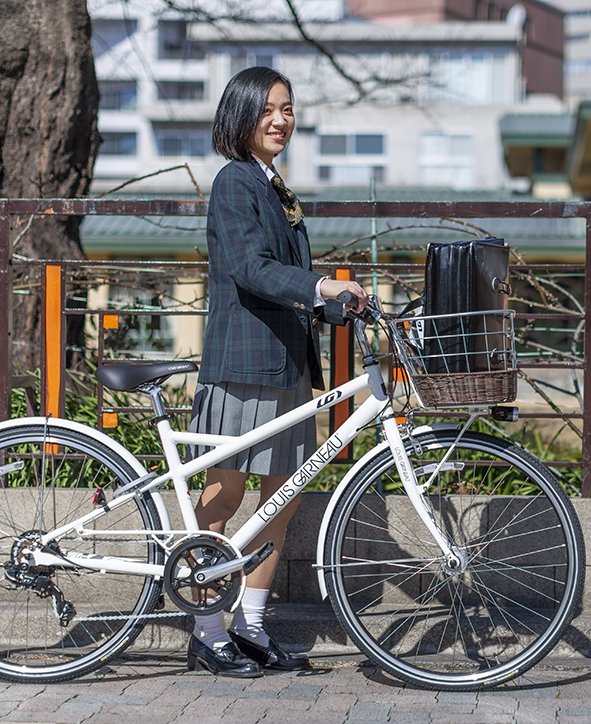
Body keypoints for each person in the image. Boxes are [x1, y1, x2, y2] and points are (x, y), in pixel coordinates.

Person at [186, 67, 367, 678]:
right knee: (228, 491)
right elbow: (249, 266)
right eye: (268, 109)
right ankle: (207, 628)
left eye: (287, 109)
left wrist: (333, 301)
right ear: (239, 115)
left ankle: (253, 625)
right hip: (243, 361)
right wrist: (320, 285)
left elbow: (284, 276)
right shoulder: (235, 182)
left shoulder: (275, 186)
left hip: (286, 361)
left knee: (282, 500)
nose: (281, 120)